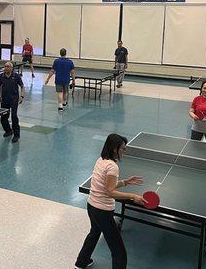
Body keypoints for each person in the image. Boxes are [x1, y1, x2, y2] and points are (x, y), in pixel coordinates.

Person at [75, 134, 146, 269]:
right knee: (118, 251)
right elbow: (110, 192)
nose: (124, 152)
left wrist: (125, 182)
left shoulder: (100, 160)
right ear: (115, 149)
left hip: (92, 206)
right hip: (103, 211)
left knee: (94, 233)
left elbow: (107, 186)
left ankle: (81, 262)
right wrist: (133, 196)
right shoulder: (113, 167)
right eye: (123, 149)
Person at [0, 62, 24, 143]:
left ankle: (16, 135)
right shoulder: (1, 76)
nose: (6, 68)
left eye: (8, 66)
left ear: (11, 68)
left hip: (14, 99)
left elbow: (22, 86)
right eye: (5, 66)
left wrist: (22, 96)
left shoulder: (16, 76)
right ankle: (8, 131)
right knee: (3, 118)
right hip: (4, 99)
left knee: (14, 116)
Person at [44, 48, 75, 112]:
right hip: (66, 79)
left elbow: (52, 71)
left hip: (58, 79)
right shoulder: (70, 62)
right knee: (65, 92)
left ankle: (60, 106)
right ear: (65, 53)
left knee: (59, 92)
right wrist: (74, 81)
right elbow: (72, 72)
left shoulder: (56, 61)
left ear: (60, 53)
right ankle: (64, 102)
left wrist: (47, 79)